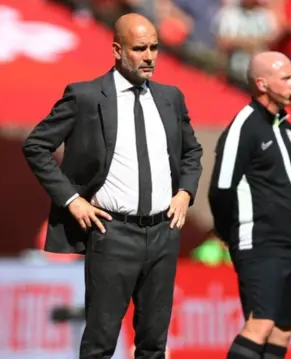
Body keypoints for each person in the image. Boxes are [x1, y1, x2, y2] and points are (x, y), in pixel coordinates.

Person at [22, 13, 203, 359]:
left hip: (163, 232)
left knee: (153, 344)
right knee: (100, 343)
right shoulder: (87, 96)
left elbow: (192, 150)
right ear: (118, 50)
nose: (149, 56)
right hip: (112, 232)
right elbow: (36, 145)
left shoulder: (170, 98)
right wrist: (72, 199)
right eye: (139, 49)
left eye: (154, 47)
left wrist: (186, 192)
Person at [208, 51, 291, 359]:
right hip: (259, 241)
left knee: (283, 328)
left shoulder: (289, 130)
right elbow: (221, 188)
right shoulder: (245, 126)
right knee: (260, 322)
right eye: (287, 78)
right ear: (262, 84)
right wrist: (229, 231)